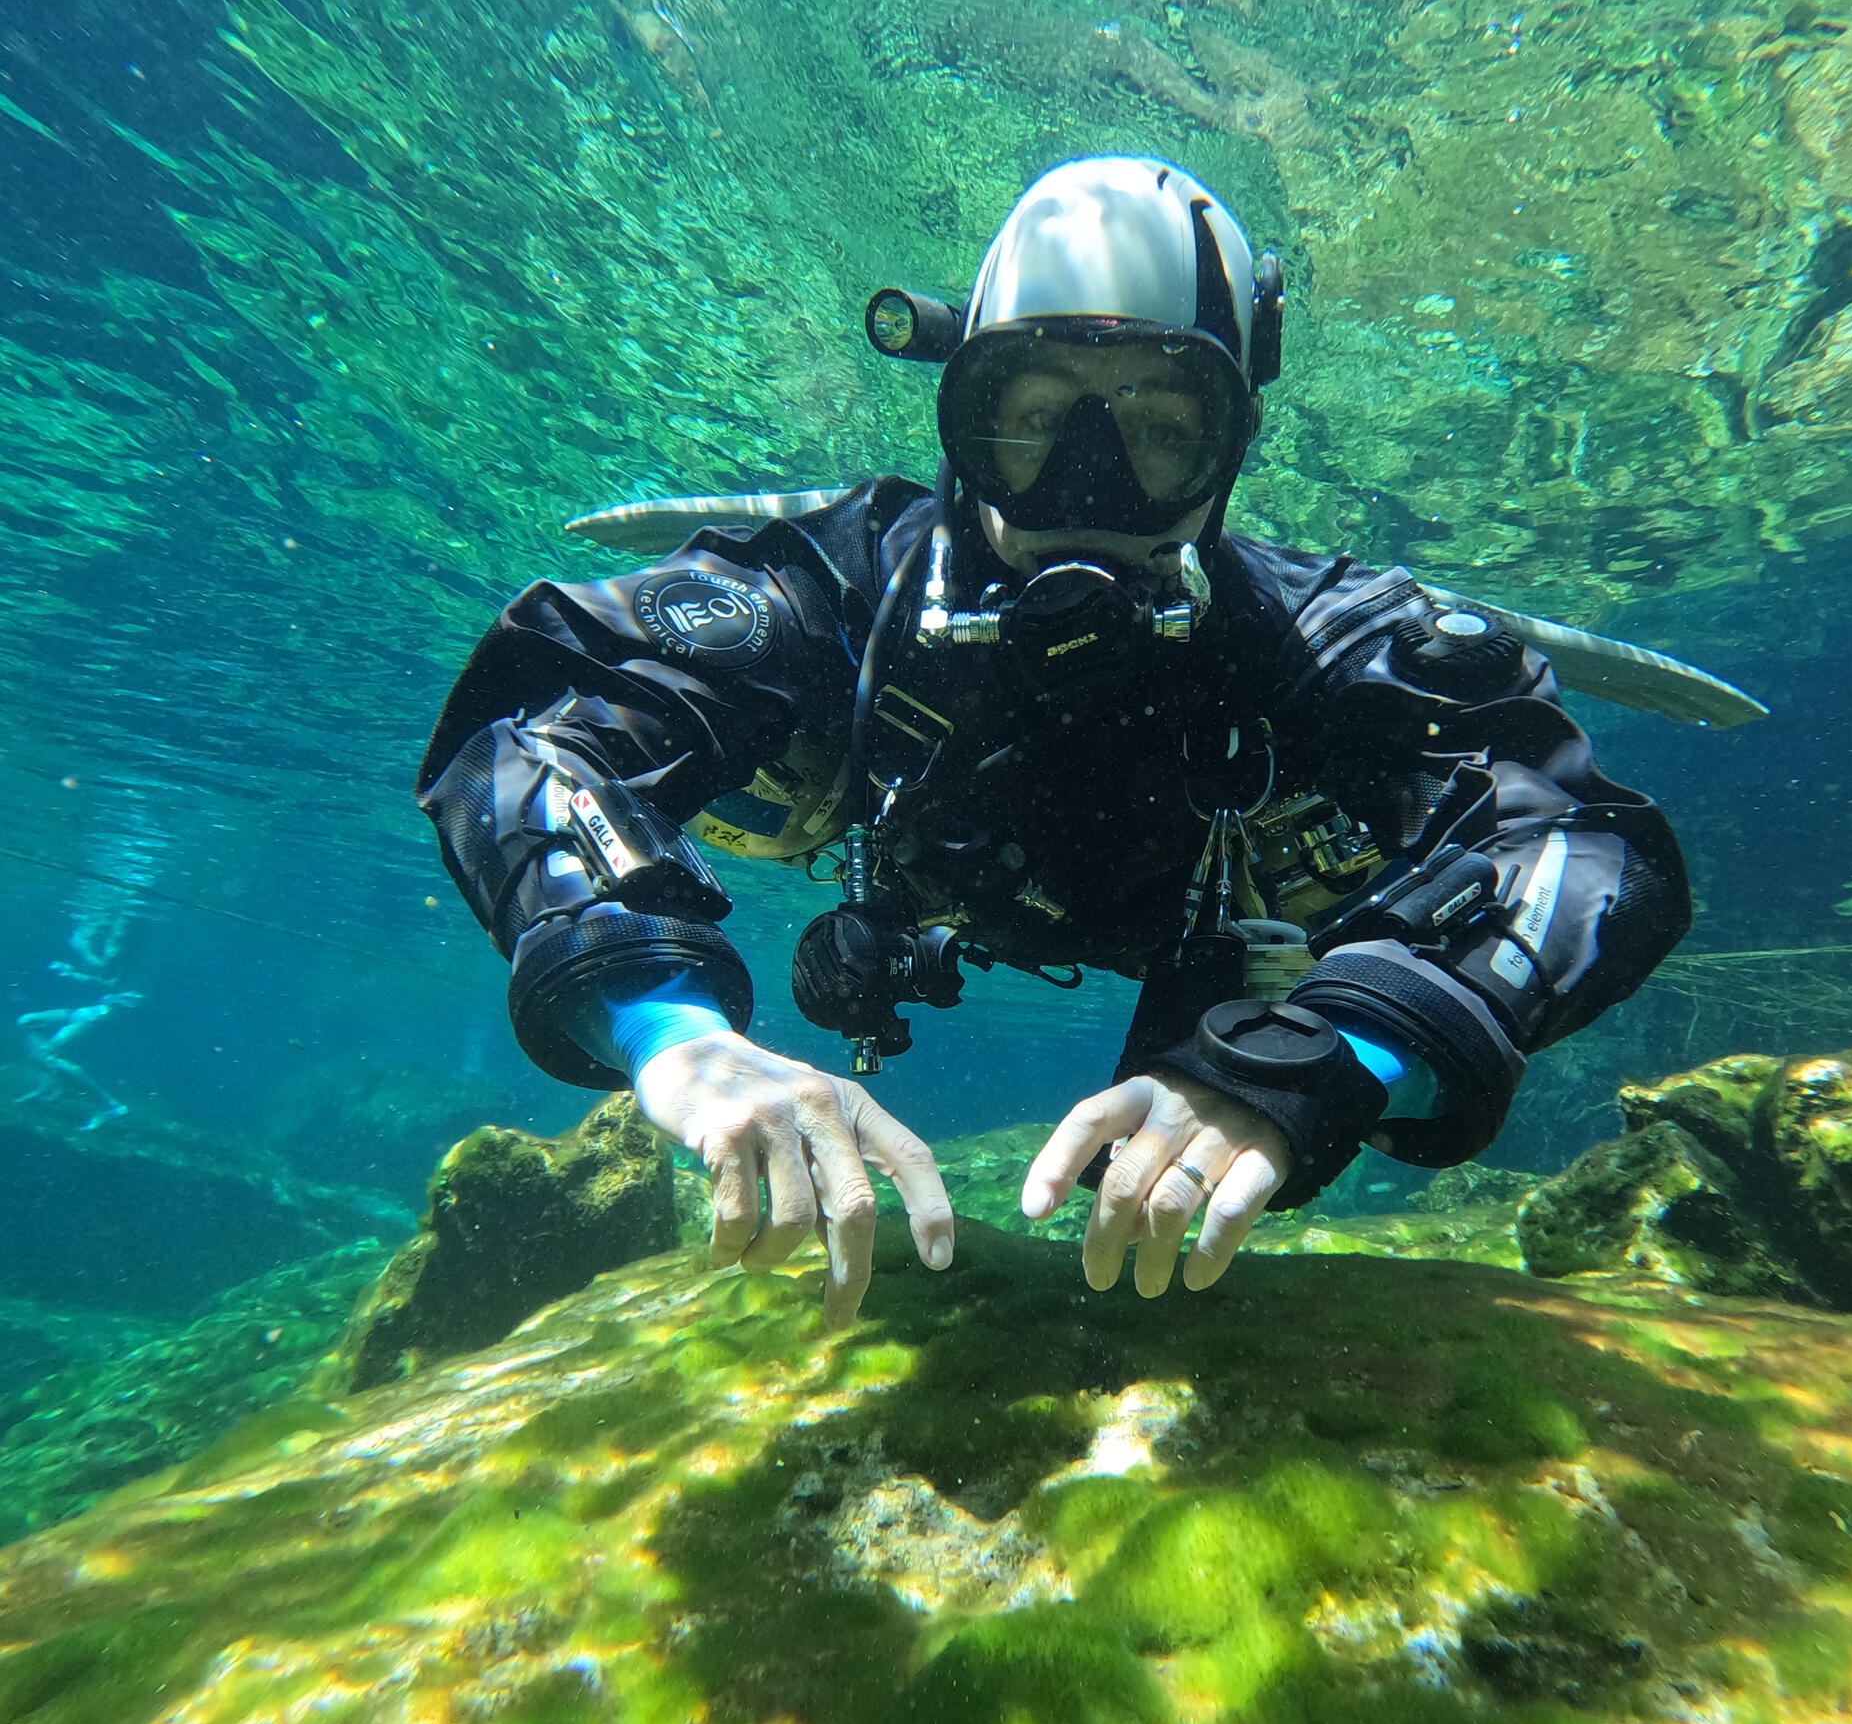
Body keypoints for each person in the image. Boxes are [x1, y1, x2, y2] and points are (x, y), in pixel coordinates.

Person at [418, 157, 1709, 1328]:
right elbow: (533, 726)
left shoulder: (1314, 638)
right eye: (1032, 417)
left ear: (1230, 441)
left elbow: (1585, 846)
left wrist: (1338, 1053)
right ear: (959, 418)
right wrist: (674, 1036)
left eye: (1156, 428)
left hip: (1232, 945)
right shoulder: (840, 591)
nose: (1088, 482)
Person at [14, 991, 143, 1130]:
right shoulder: (103, 1008)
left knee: (47, 1057)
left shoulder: (101, 1016)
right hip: (79, 1013)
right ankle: (49, 1087)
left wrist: (49, 1047)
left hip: (90, 1017)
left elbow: (70, 1032)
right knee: (27, 1022)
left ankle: (109, 1105)